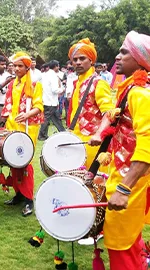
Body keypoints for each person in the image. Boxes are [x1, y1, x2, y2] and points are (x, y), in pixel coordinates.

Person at [89, 30, 150, 270]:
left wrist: (124, 189)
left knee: (119, 243)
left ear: (140, 60)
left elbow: (148, 145)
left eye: (124, 52)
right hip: (121, 175)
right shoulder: (129, 90)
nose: (117, 56)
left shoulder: (141, 94)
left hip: (131, 183)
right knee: (127, 240)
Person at [67, 38, 115, 245]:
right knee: (83, 186)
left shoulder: (98, 83)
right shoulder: (79, 82)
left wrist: (99, 134)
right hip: (78, 142)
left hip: (95, 145)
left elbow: (109, 113)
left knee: (97, 185)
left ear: (91, 60)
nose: (77, 62)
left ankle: (99, 230)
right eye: (74, 59)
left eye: (82, 59)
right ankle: (85, 223)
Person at [1, 52, 43, 216]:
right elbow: (8, 106)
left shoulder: (35, 84)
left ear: (27, 67)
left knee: (25, 162)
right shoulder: (13, 84)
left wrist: (27, 114)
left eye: (20, 66)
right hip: (12, 126)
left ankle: (28, 200)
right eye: (15, 66)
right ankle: (18, 195)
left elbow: (39, 106)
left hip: (28, 127)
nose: (17, 69)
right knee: (13, 160)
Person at [38, 60, 65, 140]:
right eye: (58, 66)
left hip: (47, 100)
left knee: (55, 117)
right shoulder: (53, 76)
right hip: (50, 101)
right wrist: (62, 90)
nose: (59, 68)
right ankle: (42, 135)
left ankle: (62, 132)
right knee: (46, 119)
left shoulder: (44, 75)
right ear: (56, 66)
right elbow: (54, 89)